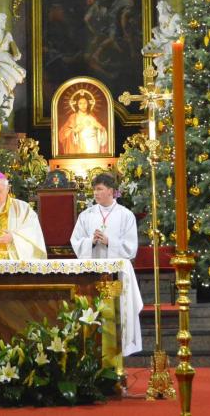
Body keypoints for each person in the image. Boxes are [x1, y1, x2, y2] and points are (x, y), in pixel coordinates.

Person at [69, 172, 143, 355]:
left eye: (99, 189)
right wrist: (91, 242)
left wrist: (110, 242)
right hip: (92, 275)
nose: (95, 193)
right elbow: (75, 241)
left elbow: (131, 247)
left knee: (118, 315)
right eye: (94, 189)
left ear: (111, 191)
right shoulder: (86, 215)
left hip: (117, 276)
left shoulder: (125, 215)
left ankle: (119, 349)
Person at [58, 89, 108, 154]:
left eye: (85, 103)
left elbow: (101, 130)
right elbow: (63, 133)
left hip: (93, 144)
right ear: (77, 105)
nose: (83, 105)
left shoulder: (92, 116)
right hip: (79, 147)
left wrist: (101, 129)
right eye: (80, 103)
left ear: (88, 104)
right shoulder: (73, 117)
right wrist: (74, 132)